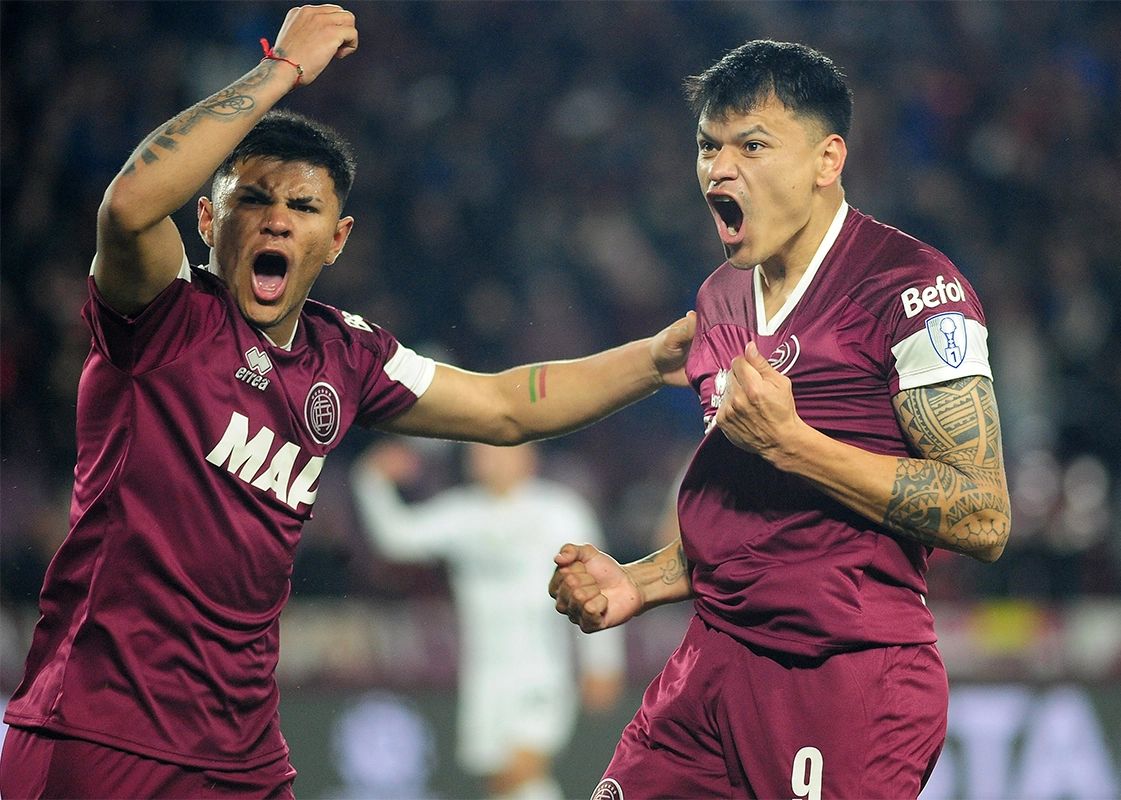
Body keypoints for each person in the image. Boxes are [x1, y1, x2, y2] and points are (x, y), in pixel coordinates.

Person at [0, 6, 693, 798]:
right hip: (96, 734)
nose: (277, 221)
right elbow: (125, 208)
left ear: (337, 239)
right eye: (253, 200)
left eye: (303, 209)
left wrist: (650, 359)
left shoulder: (348, 355)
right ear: (205, 217)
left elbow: (507, 406)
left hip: (242, 753)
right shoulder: (163, 313)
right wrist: (279, 70)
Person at [550, 39, 1011, 800]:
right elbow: (763, 524)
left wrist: (796, 444)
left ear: (828, 160)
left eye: (752, 145)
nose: (718, 168)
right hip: (714, 665)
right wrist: (641, 582)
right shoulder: (722, 300)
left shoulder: (914, 291)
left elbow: (984, 513)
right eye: (707, 146)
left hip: (846, 675)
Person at [353, 439, 625, 799]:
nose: (487, 458)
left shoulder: (559, 512)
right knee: (499, 783)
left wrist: (604, 662)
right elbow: (396, 538)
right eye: (479, 451)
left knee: (523, 769)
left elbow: (600, 585)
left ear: (527, 456)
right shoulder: (463, 514)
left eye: (497, 449)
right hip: (484, 675)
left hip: (539, 669)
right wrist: (370, 482)